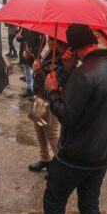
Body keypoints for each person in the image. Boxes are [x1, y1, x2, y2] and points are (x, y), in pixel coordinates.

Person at [7, 24, 107, 214]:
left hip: (76, 154)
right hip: (104, 153)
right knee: (89, 205)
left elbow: (68, 116)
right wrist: (71, 72)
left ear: (71, 47)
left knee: (54, 203)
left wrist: (53, 90)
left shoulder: (85, 73)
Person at [28, 37, 71, 173]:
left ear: (60, 42)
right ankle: (45, 158)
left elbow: (51, 82)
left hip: (51, 100)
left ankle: (60, 166)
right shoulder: (49, 54)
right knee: (39, 128)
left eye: (51, 39)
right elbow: (40, 73)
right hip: (40, 97)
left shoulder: (64, 60)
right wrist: (31, 59)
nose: (47, 41)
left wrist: (37, 70)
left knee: (51, 133)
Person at [18, 27, 43, 99]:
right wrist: (18, 37)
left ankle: (33, 91)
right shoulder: (24, 27)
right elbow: (19, 39)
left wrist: (37, 51)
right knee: (27, 71)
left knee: (33, 72)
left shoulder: (37, 28)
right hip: (25, 52)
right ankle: (29, 89)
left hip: (34, 53)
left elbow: (42, 41)